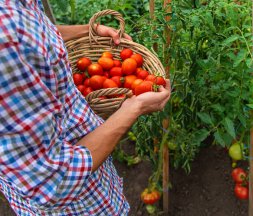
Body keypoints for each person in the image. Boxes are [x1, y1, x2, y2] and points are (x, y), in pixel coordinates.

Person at [0, 0, 171, 215]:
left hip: (89, 165)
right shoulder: (4, 35)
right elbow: (53, 182)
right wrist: (133, 108)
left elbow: (36, 33)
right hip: (73, 206)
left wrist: (92, 31)